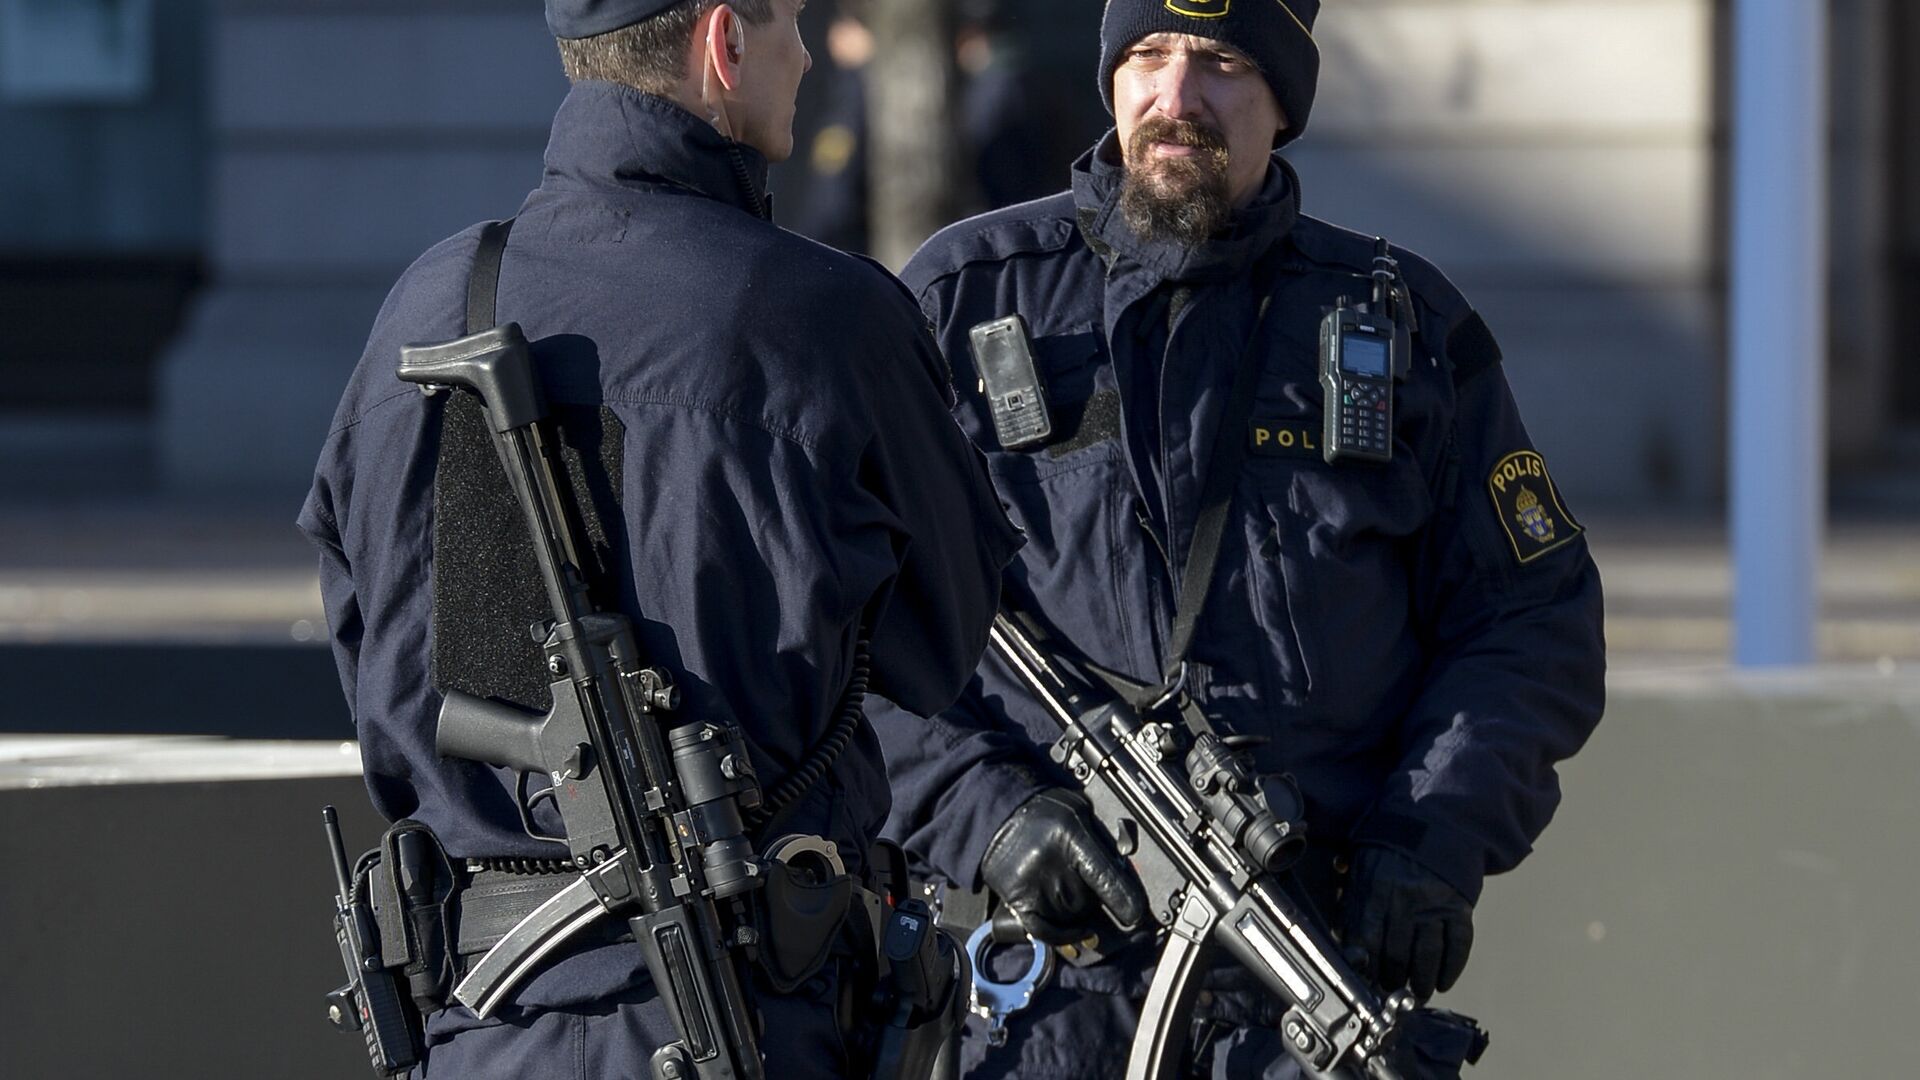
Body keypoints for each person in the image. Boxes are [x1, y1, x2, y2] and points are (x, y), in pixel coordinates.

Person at [868, 1, 1606, 1077]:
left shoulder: (1403, 330)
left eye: (1220, 63)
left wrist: (1432, 836)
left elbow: (1533, 620)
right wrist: (983, 811)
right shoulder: (962, 302)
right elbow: (846, 615)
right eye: (1150, 58)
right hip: (1040, 995)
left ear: (1285, 102)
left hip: (1308, 965)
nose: (1177, 99)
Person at [296, 1, 1023, 1077]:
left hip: (480, 1024)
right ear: (723, 42)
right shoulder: (827, 321)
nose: (810, 54)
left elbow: (366, 646)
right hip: (747, 1015)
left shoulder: (425, 305)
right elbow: (942, 640)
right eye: (790, 23)